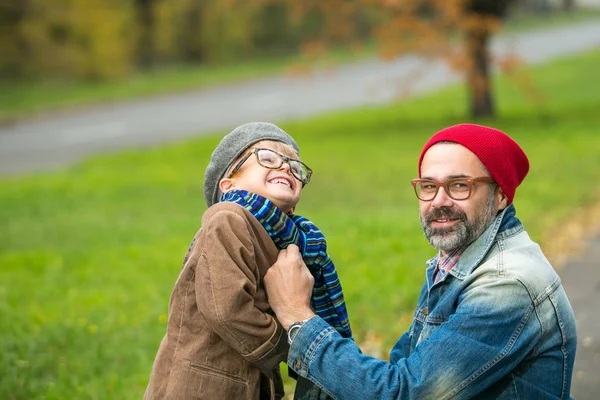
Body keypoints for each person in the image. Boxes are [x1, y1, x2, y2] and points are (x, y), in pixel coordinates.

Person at [264, 123, 578, 399]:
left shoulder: (506, 284)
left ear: (500, 196)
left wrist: (298, 319)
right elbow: (403, 367)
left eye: (459, 185)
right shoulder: (456, 261)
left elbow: (403, 392)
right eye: (428, 186)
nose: (439, 201)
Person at [143, 122, 351, 400]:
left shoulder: (289, 241)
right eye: (268, 158)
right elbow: (225, 308)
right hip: (200, 386)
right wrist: (295, 345)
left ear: (293, 206)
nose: (286, 167)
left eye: (295, 167)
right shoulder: (227, 219)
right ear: (229, 185)